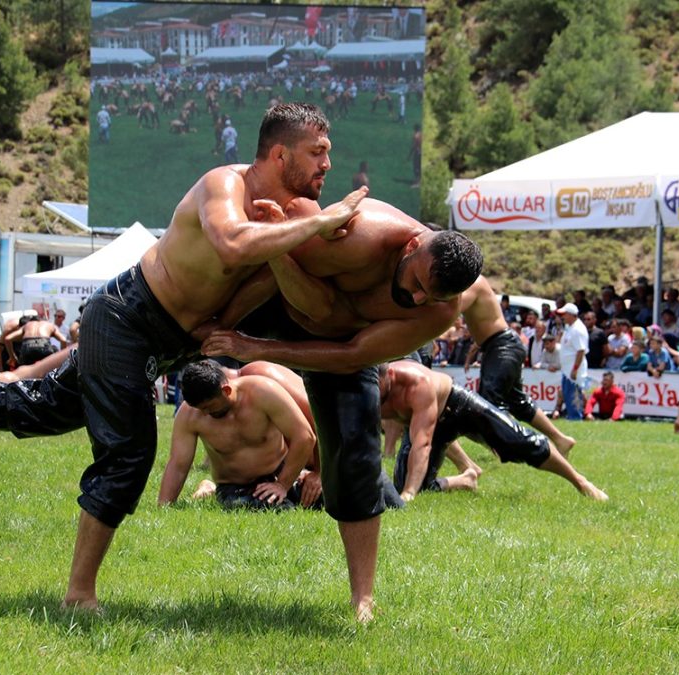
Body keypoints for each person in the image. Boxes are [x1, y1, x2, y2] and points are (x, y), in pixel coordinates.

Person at [0, 102, 368, 616]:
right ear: (278, 153)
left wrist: (226, 323)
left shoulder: (290, 218)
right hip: (127, 316)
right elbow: (230, 244)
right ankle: (78, 596)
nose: (327, 165)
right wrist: (322, 225)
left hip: (166, 337)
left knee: (48, 407)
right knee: (131, 453)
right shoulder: (224, 186)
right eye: (317, 152)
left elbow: (257, 283)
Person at [202, 199, 484, 622]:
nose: (418, 297)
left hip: (340, 352)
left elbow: (352, 355)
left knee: (356, 454)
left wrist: (254, 349)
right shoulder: (364, 234)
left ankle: (363, 599)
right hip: (280, 299)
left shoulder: (441, 310)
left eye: (433, 295)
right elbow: (269, 255)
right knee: (187, 322)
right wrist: (224, 323)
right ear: (411, 246)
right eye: (419, 282)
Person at [380, 360, 606, 504]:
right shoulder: (366, 389)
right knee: (409, 486)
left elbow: (422, 443)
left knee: (518, 441)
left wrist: (409, 493)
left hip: (458, 405)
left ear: (390, 373)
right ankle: (466, 479)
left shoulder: (418, 384)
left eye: (378, 387)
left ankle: (581, 482)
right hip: (432, 423)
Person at [158, 360, 318, 510]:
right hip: (236, 487)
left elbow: (304, 436)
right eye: (201, 409)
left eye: (209, 407)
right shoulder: (189, 414)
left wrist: (283, 484)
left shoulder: (262, 391)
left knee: (328, 498)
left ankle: (210, 489)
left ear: (226, 391)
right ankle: (211, 488)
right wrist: (164, 506)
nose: (205, 413)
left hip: (279, 474)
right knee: (272, 507)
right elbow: (178, 464)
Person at [556, 303, 589, 420]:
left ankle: (576, 417)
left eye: (564, 314)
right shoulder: (570, 328)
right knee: (567, 395)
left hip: (573, 370)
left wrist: (575, 369)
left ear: (571, 314)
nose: (562, 317)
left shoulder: (578, 330)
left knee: (574, 395)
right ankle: (572, 416)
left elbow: (581, 351)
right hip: (567, 370)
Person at [1, 316, 69, 366]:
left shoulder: (28, 325)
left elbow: (7, 338)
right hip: (44, 345)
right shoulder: (50, 325)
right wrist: (62, 360)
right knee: (49, 370)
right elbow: (63, 340)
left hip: (28, 345)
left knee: (24, 371)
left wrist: (12, 357)